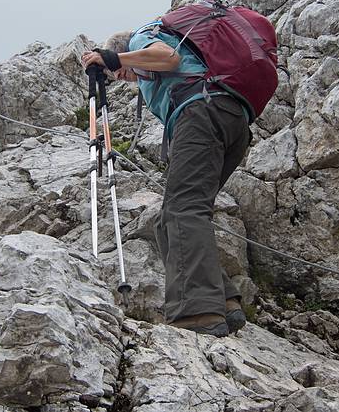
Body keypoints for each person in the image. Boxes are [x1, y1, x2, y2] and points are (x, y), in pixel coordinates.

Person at [81, 19, 259, 337]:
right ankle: (223, 299)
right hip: (231, 121)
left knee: (181, 211)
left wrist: (114, 59)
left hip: (202, 113)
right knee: (170, 219)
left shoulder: (140, 38)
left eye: (118, 73)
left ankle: (198, 312)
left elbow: (168, 56)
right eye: (116, 76)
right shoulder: (155, 70)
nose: (120, 77)